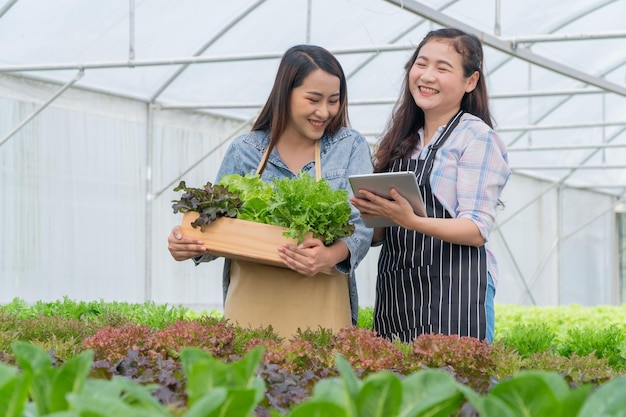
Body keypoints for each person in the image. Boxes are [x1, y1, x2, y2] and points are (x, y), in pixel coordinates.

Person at [168, 44, 374, 337]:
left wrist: (329, 256)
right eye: (313, 99)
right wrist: (188, 244)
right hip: (252, 302)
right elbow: (216, 223)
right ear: (285, 94)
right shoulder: (245, 151)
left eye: (333, 100)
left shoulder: (349, 145)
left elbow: (363, 222)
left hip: (322, 302)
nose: (324, 111)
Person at [350, 28, 510, 344]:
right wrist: (371, 214)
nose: (427, 75)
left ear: (471, 82)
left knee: (456, 387)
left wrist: (410, 220)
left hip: (456, 290)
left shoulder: (477, 138)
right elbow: (384, 232)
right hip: (399, 289)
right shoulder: (402, 142)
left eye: (442, 68)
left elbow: (476, 228)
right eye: (421, 64)